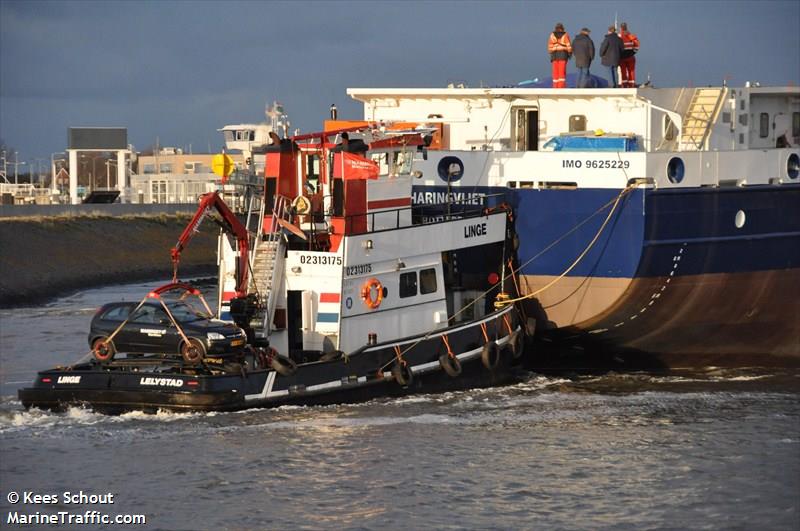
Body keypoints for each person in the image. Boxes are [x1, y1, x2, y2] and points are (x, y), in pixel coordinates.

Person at [548, 23, 572, 88]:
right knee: (562, 71)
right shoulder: (565, 35)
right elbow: (568, 45)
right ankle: (561, 86)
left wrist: (551, 51)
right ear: (562, 28)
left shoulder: (552, 35)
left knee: (555, 71)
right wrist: (569, 53)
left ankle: (555, 86)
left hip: (554, 55)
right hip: (563, 54)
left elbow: (550, 46)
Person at [619, 22, 640, 87]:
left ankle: (624, 84)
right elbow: (637, 45)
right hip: (630, 57)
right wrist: (633, 52)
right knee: (631, 70)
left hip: (622, 57)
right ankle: (632, 84)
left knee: (623, 71)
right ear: (626, 27)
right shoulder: (631, 35)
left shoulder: (619, 36)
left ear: (620, 28)